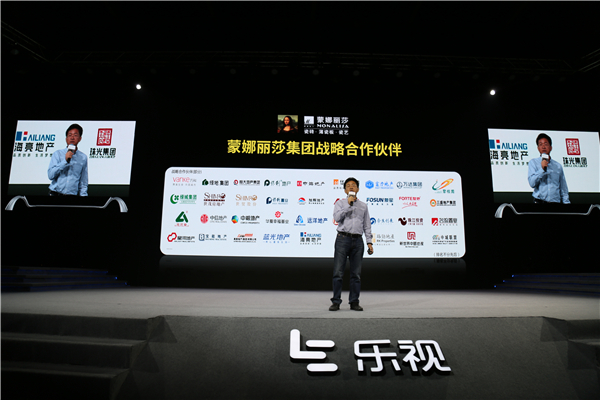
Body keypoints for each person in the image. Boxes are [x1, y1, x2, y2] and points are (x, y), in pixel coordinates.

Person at [329, 177, 374, 311]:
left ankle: (354, 302)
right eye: (348, 185)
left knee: (356, 274)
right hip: (343, 239)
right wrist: (348, 205)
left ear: (358, 189)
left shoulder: (363, 206)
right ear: (345, 190)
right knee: (338, 273)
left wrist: (369, 242)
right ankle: (336, 301)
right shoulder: (340, 203)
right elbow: (337, 218)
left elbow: (367, 225)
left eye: (353, 185)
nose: (351, 187)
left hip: (358, 241)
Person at [527, 133, 569, 204]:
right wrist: (542, 170)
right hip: (539, 201)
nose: (543, 147)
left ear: (551, 147)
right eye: (541, 144)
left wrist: (566, 203)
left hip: (555, 203)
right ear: (538, 148)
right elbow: (532, 183)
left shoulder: (558, 166)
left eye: (546, 144)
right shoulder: (533, 162)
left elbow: (563, 188)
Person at [48, 123, 88, 196]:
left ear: (80, 138)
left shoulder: (83, 157)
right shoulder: (57, 154)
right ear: (66, 139)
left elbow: (83, 181)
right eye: (70, 135)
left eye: (75, 135)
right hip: (55, 194)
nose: (72, 138)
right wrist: (65, 161)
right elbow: (50, 175)